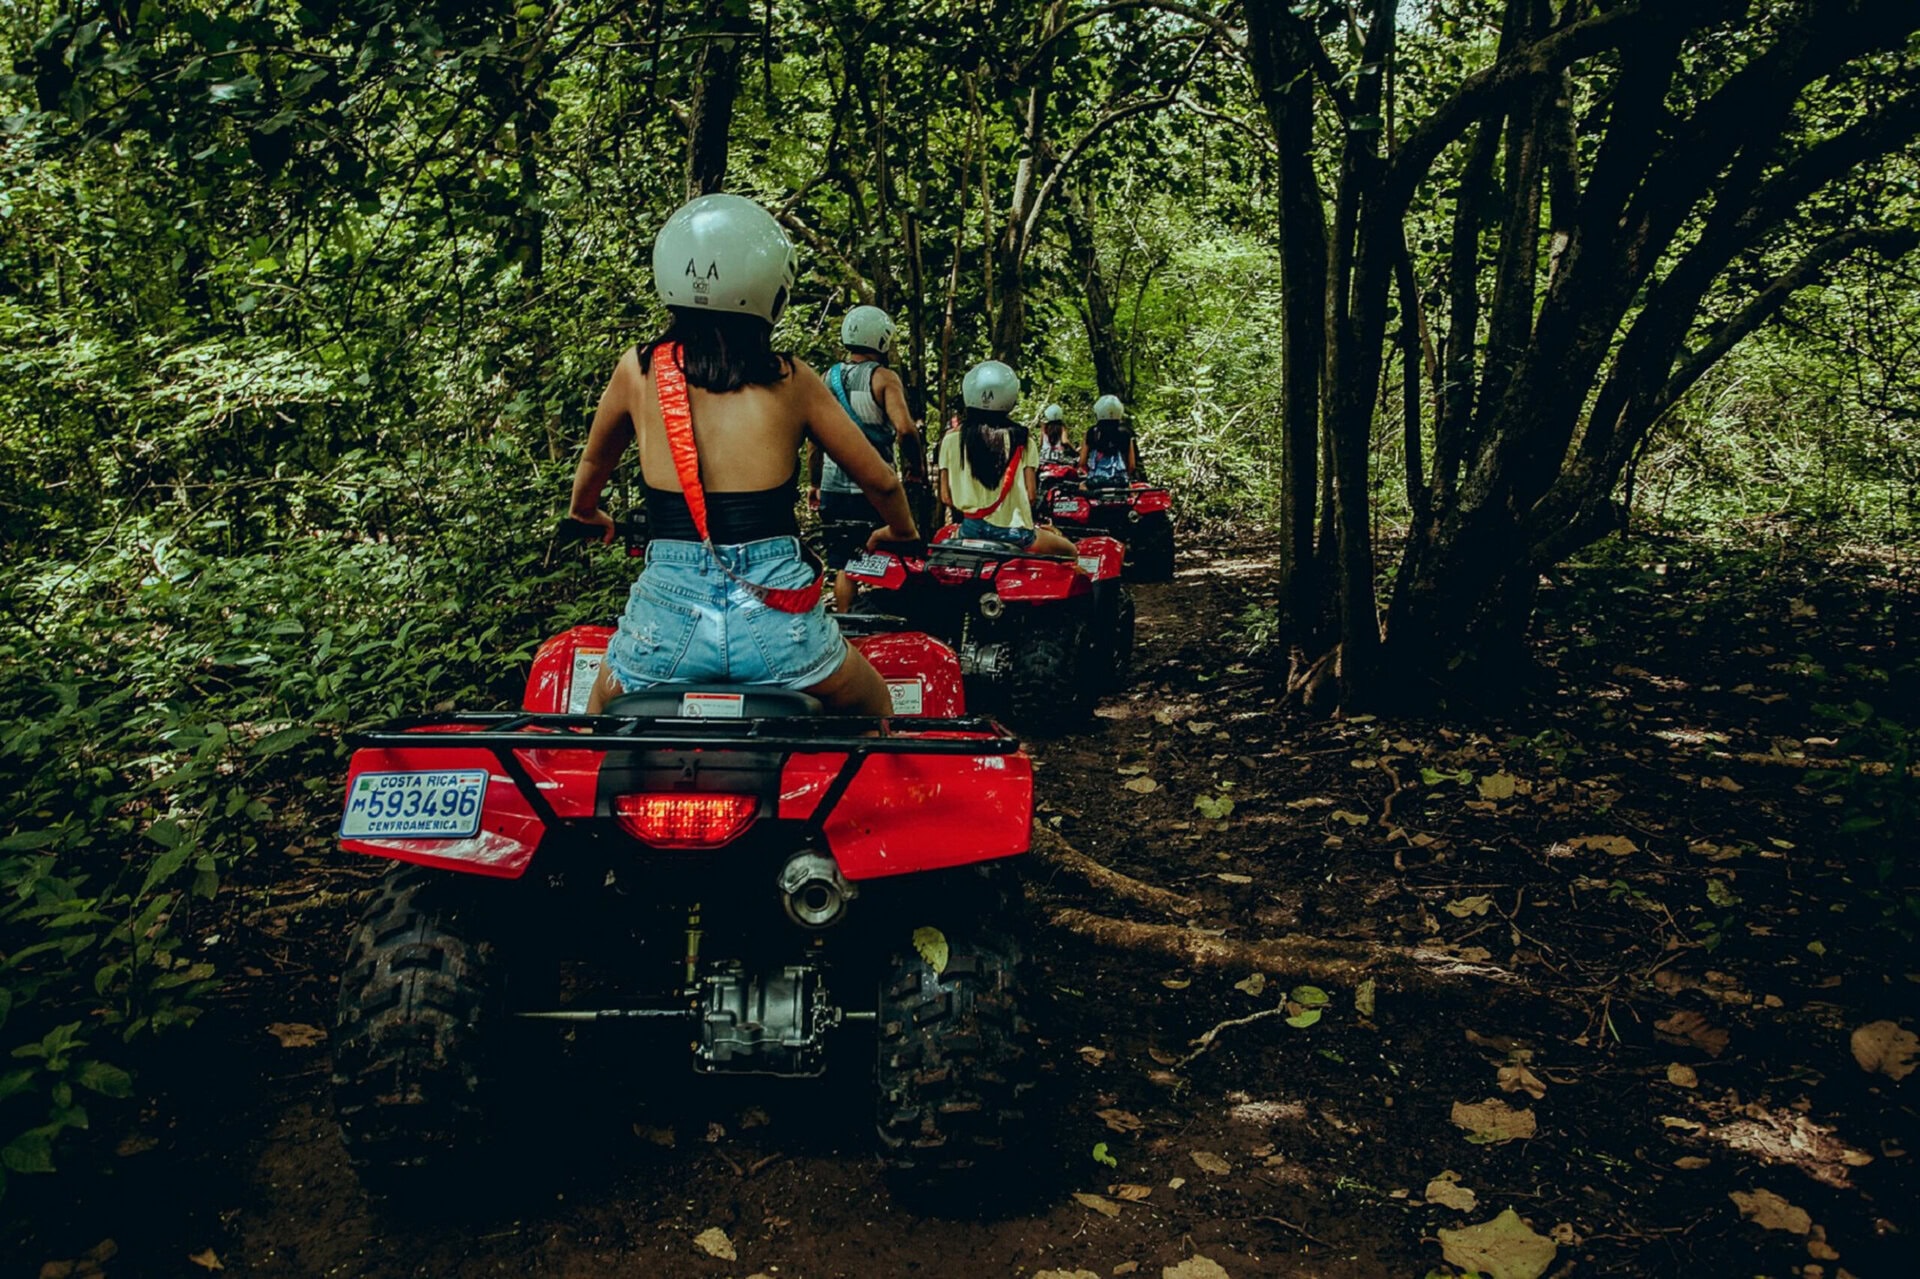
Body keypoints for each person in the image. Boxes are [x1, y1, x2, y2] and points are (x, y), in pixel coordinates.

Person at [565, 194, 918, 716]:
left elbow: (593, 465)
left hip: (663, 629)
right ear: (772, 289)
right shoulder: (792, 379)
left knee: (597, 724)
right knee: (874, 707)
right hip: (781, 627)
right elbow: (883, 482)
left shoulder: (636, 370)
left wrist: (586, 512)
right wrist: (901, 533)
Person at [811, 305, 925, 611]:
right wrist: (915, 468)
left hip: (833, 490)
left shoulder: (827, 377)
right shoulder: (884, 378)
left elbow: (816, 440)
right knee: (895, 551)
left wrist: (814, 483)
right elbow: (905, 429)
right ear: (883, 339)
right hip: (875, 489)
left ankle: (848, 627)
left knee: (845, 564)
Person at [936, 361, 1078, 557]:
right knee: (1070, 551)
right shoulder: (1022, 439)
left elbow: (946, 497)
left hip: (970, 530)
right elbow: (1030, 495)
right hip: (1016, 534)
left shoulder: (950, 439)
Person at [1082, 394, 1138, 485]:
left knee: (1081, 486)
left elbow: (1082, 462)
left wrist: (1090, 473)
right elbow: (1132, 465)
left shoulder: (1091, 432)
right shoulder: (1126, 433)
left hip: (1096, 481)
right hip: (1120, 481)